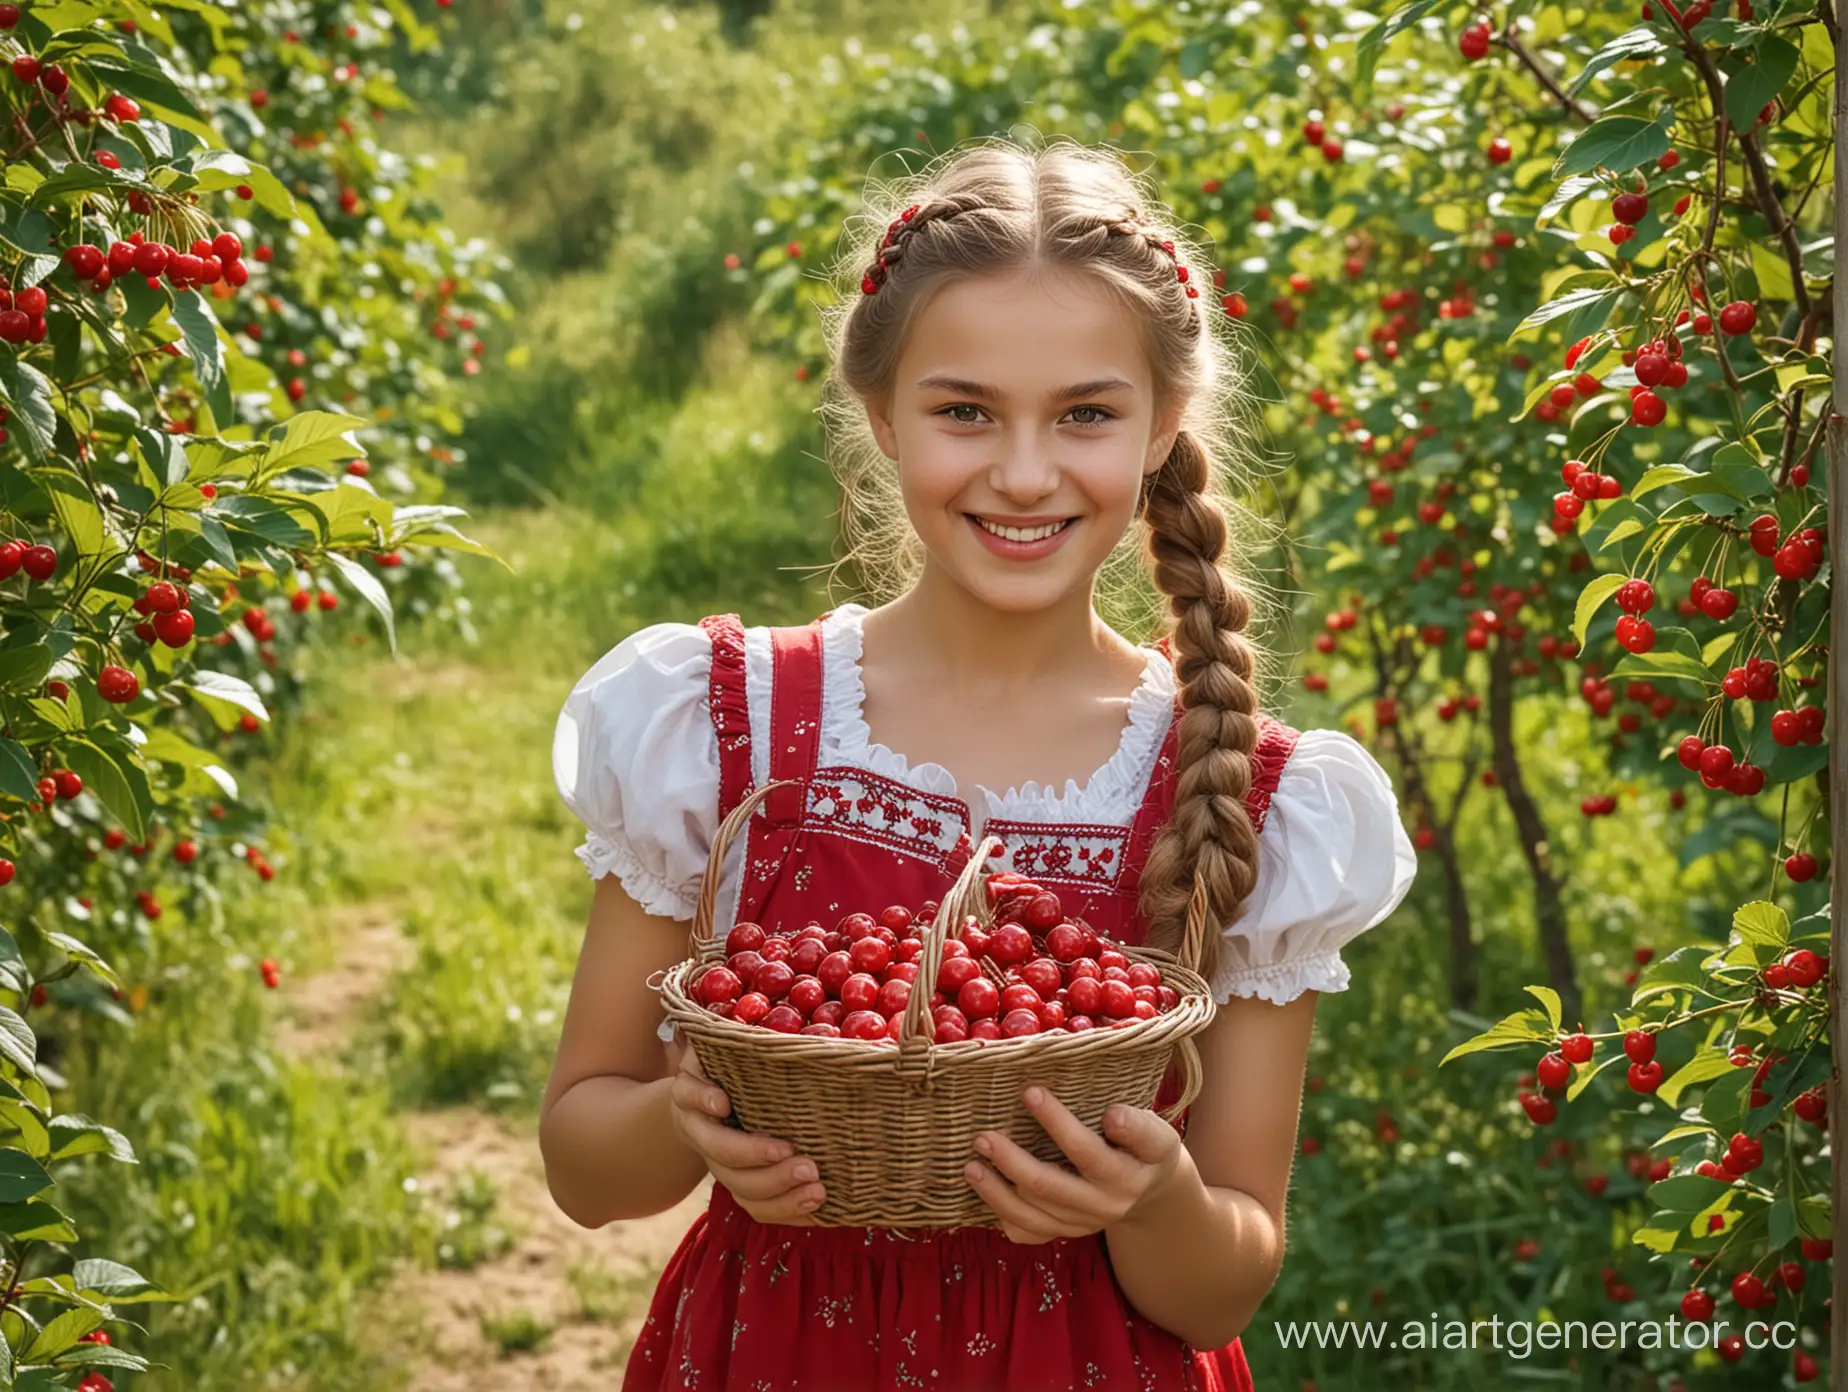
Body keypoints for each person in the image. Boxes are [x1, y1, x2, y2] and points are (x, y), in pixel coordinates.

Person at [540, 135, 1417, 1391]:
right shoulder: (729, 722)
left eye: (1087, 416)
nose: (1021, 472)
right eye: (963, 411)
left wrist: (1152, 1196)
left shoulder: (1246, 796)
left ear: (1163, 426)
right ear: (880, 414)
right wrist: (684, 1121)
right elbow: (582, 1165)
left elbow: (1224, 1276)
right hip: (779, 1351)